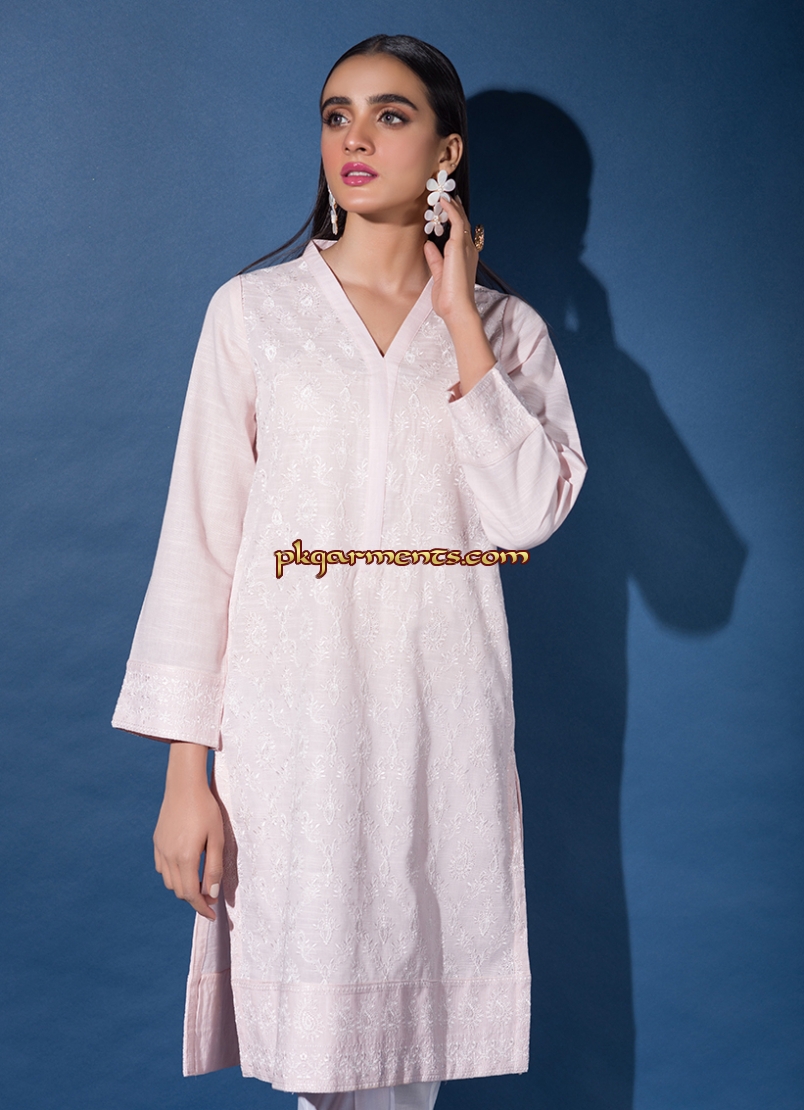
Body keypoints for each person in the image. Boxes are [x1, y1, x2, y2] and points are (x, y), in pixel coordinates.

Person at [112, 33, 586, 1110]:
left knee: (407, 1072)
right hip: (293, 743)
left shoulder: (505, 332)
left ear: (447, 151)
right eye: (336, 115)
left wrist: (459, 313)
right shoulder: (255, 313)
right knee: (322, 1065)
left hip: (439, 735)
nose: (355, 138)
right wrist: (187, 777)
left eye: (390, 114)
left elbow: (526, 513)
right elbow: (202, 543)